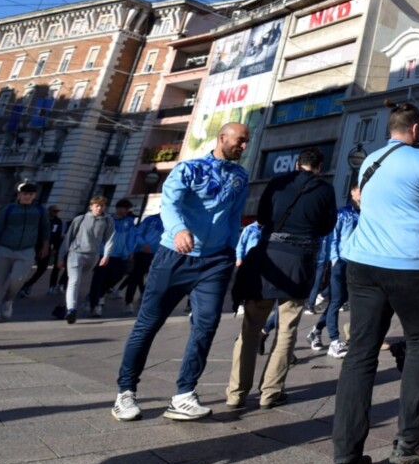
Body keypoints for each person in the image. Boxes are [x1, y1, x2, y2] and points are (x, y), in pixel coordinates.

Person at [328, 103, 419, 464]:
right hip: (410, 264)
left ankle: (346, 458)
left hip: (364, 263)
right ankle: (408, 442)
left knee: (360, 356)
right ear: (416, 129)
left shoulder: (368, 163)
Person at [112, 122, 250, 423]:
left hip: (215, 262)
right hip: (174, 257)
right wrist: (178, 230)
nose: (243, 146)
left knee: (206, 324)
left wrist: (232, 251)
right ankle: (125, 392)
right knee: (148, 324)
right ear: (222, 138)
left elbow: (234, 216)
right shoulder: (189, 169)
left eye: (246, 142)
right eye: (239, 141)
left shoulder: (240, 176)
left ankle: (184, 394)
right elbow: (170, 204)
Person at [227, 148, 337, 410]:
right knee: (287, 330)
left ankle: (236, 393)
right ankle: (270, 393)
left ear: (297, 164)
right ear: (319, 166)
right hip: (298, 263)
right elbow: (326, 227)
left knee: (250, 328)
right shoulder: (325, 190)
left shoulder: (277, 183)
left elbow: (263, 219)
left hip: (267, 261)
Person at [309, 185, 360, 357]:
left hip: (358, 264)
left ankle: (316, 330)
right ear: (352, 192)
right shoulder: (342, 213)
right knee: (336, 301)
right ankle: (334, 341)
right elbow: (333, 238)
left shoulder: (367, 213)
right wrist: (335, 260)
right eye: (360, 190)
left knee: (340, 300)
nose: (363, 194)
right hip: (341, 262)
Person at [0, 181, 50, 322]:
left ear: (34, 195)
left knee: (18, 278)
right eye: (24, 194)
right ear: (19, 195)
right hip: (3, 248)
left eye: (30, 194)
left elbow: (45, 228)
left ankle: (8, 300)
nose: (27, 197)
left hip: (26, 250)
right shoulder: (9, 209)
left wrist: (45, 245)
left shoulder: (40, 211)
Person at [63, 195, 116, 323]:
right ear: (91, 207)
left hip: (93, 256)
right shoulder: (80, 219)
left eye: (102, 206)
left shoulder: (107, 221)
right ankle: (71, 310)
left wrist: (106, 255)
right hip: (75, 253)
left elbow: (110, 239)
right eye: (97, 206)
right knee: (74, 281)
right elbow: (68, 237)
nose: (99, 208)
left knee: (79, 281)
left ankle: (66, 303)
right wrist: (61, 256)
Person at [89, 199, 136, 314]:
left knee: (118, 276)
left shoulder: (129, 221)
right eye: (125, 208)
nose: (126, 211)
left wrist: (130, 251)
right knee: (99, 279)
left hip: (121, 255)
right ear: (118, 208)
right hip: (104, 254)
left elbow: (131, 236)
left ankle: (99, 294)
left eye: (128, 209)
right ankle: (95, 304)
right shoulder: (107, 219)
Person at [122, 211, 163, 314]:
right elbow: (138, 233)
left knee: (155, 278)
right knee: (136, 276)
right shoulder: (150, 219)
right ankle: (129, 301)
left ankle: (145, 297)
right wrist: (143, 244)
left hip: (159, 254)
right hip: (143, 252)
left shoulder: (173, 219)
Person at [19, 204, 62, 298]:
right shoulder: (41, 220)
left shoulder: (58, 222)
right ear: (49, 211)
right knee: (26, 265)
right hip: (34, 245)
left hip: (47, 247)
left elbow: (57, 236)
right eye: (54, 211)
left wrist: (55, 248)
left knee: (42, 268)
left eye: (57, 211)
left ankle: (28, 284)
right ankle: (19, 284)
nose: (55, 213)